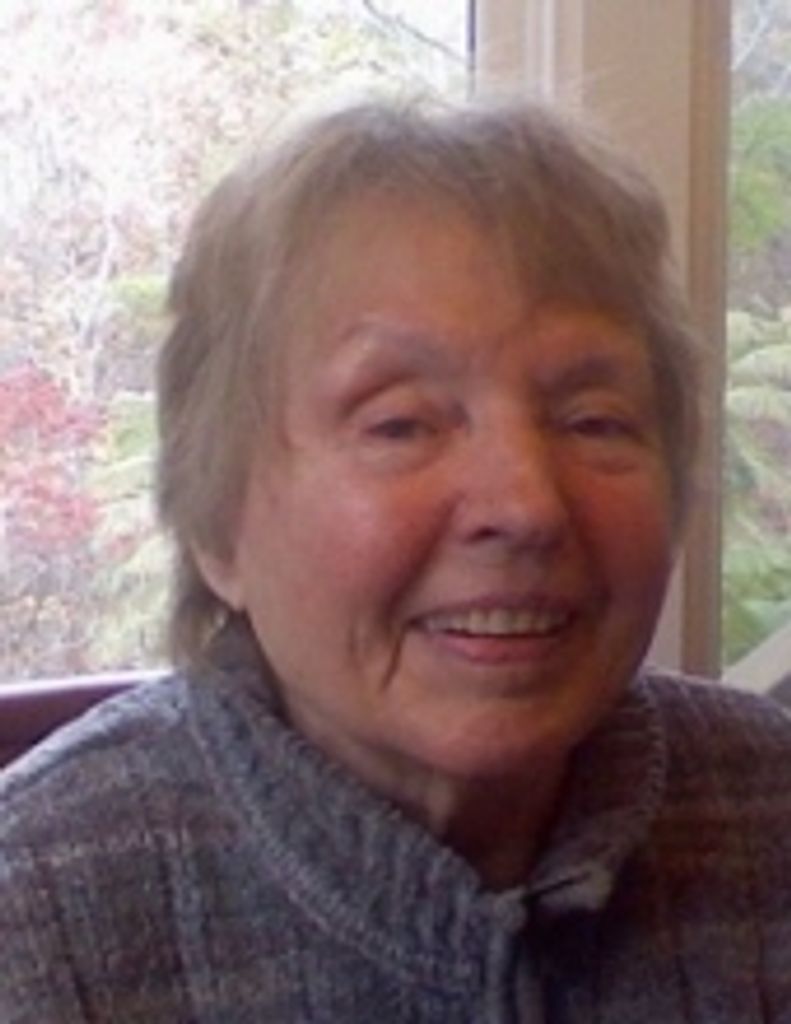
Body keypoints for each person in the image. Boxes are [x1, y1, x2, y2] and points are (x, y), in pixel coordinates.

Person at [2, 98, 791, 1024]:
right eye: (400, 424)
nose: (526, 506)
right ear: (217, 527)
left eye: (593, 421)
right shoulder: (37, 926)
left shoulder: (767, 817)